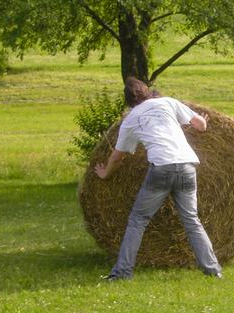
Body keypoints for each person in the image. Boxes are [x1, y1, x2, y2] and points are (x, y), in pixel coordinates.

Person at [95, 77, 223, 280]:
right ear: (147, 91)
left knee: (137, 220)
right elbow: (200, 125)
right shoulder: (168, 102)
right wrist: (202, 121)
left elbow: (118, 156)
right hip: (187, 165)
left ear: (128, 100)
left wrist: (105, 173)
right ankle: (213, 270)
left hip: (161, 168)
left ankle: (122, 272)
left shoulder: (130, 120)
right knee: (192, 220)